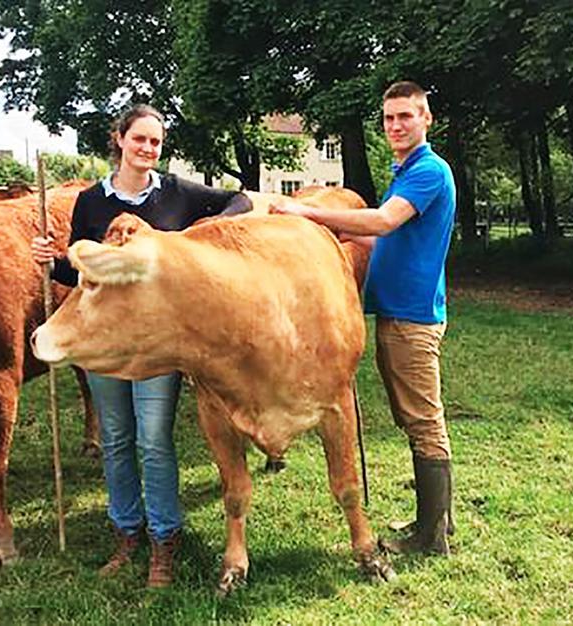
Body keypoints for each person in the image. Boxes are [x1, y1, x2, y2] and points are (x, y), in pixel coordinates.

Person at [32, 104, 252, 586]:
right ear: (120, 139)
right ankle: (126, 532)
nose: (148, 149)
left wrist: (195, 239)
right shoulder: (91, 201)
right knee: (114, 439)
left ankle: (163, 541)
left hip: (155, 343)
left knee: (153, 441)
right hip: (105, 343)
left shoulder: (175, 194)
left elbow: (240, 202)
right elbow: (81, 271)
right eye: (140, 139)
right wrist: (55, 258)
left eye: (155, 142)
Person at [270, 81, 456, 556]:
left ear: (425, 119)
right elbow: (384, 242)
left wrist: (304, 212)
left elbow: (382, 223)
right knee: (413, 416)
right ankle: (437, 520)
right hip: (399, 311)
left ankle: (431, 537)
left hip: (412, 318)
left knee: (422, 419)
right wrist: (329, 247)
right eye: (389, 118)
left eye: (405, 117)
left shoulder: (428, 171)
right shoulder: (407, 170)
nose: (396, 126)